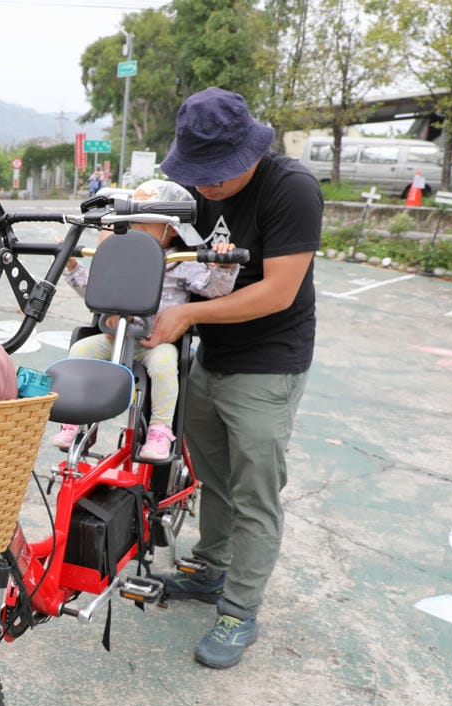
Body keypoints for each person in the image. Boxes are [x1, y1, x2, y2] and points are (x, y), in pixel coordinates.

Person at [146, 87, 322, 669]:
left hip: (269, 360)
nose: (207, 185)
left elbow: (278, 291)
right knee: (212, 473)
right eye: (198, 173)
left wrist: (188, 314)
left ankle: (239, 608)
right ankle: (211, 566)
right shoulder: (195, 193)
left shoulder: (291, 189)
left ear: (249, 150)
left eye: (216, 173)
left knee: (254, 489)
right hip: (213, 354)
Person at [52, 179, 240, 462]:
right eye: (133, 221)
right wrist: (72, 266)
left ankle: (160, 430)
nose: (135, 227)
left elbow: (216, 290)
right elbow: (94, 290)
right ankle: (77, 422)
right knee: (79, 352)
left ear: (172, 229)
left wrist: (223, 267)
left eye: (145, 222)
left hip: (155, 342)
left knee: (166, 363)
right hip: (114, 337)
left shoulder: (183, 261)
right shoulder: (122, 255)